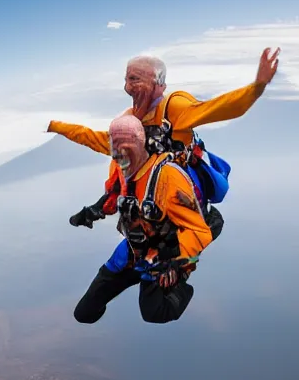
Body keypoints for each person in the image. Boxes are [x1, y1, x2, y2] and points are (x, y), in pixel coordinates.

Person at [47, 48, 280, 234]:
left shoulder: (174, 109)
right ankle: (98, 210)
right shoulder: (130, 120)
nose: (128, 87)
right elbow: (97, 140)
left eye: (135, 79)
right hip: (152, 211)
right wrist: (55, 125)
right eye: (127, 79)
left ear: (159, 84)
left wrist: (256, 88)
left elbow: (217, 109)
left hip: (181, 206)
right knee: (123, 166)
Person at [73, 114, 213, 324]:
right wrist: (92, 211)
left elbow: (199, 230)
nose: (120, 152)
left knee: (154, 313)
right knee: (84, 313)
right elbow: (115, 196)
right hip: (131, 252)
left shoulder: (167, 176)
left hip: (160, 256)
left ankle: (181, 284)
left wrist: (176, 262)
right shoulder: (124, 171)